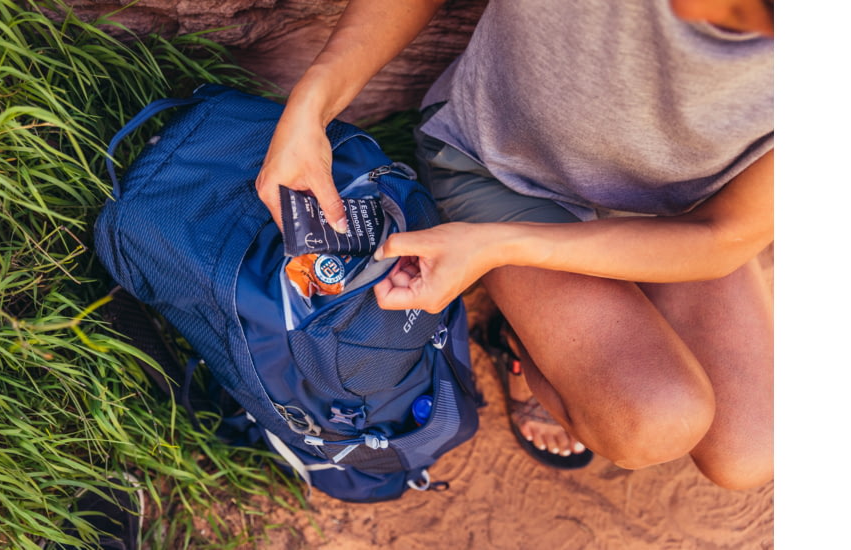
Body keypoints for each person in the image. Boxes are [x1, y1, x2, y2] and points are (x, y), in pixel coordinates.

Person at [255, 0, 773, 490]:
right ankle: (528, 344)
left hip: (686, 209)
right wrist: (311, 105)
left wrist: (496, 246)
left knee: (750, 453)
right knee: (651, 422)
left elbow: (721, 235)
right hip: (502, 165)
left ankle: (566, 315)